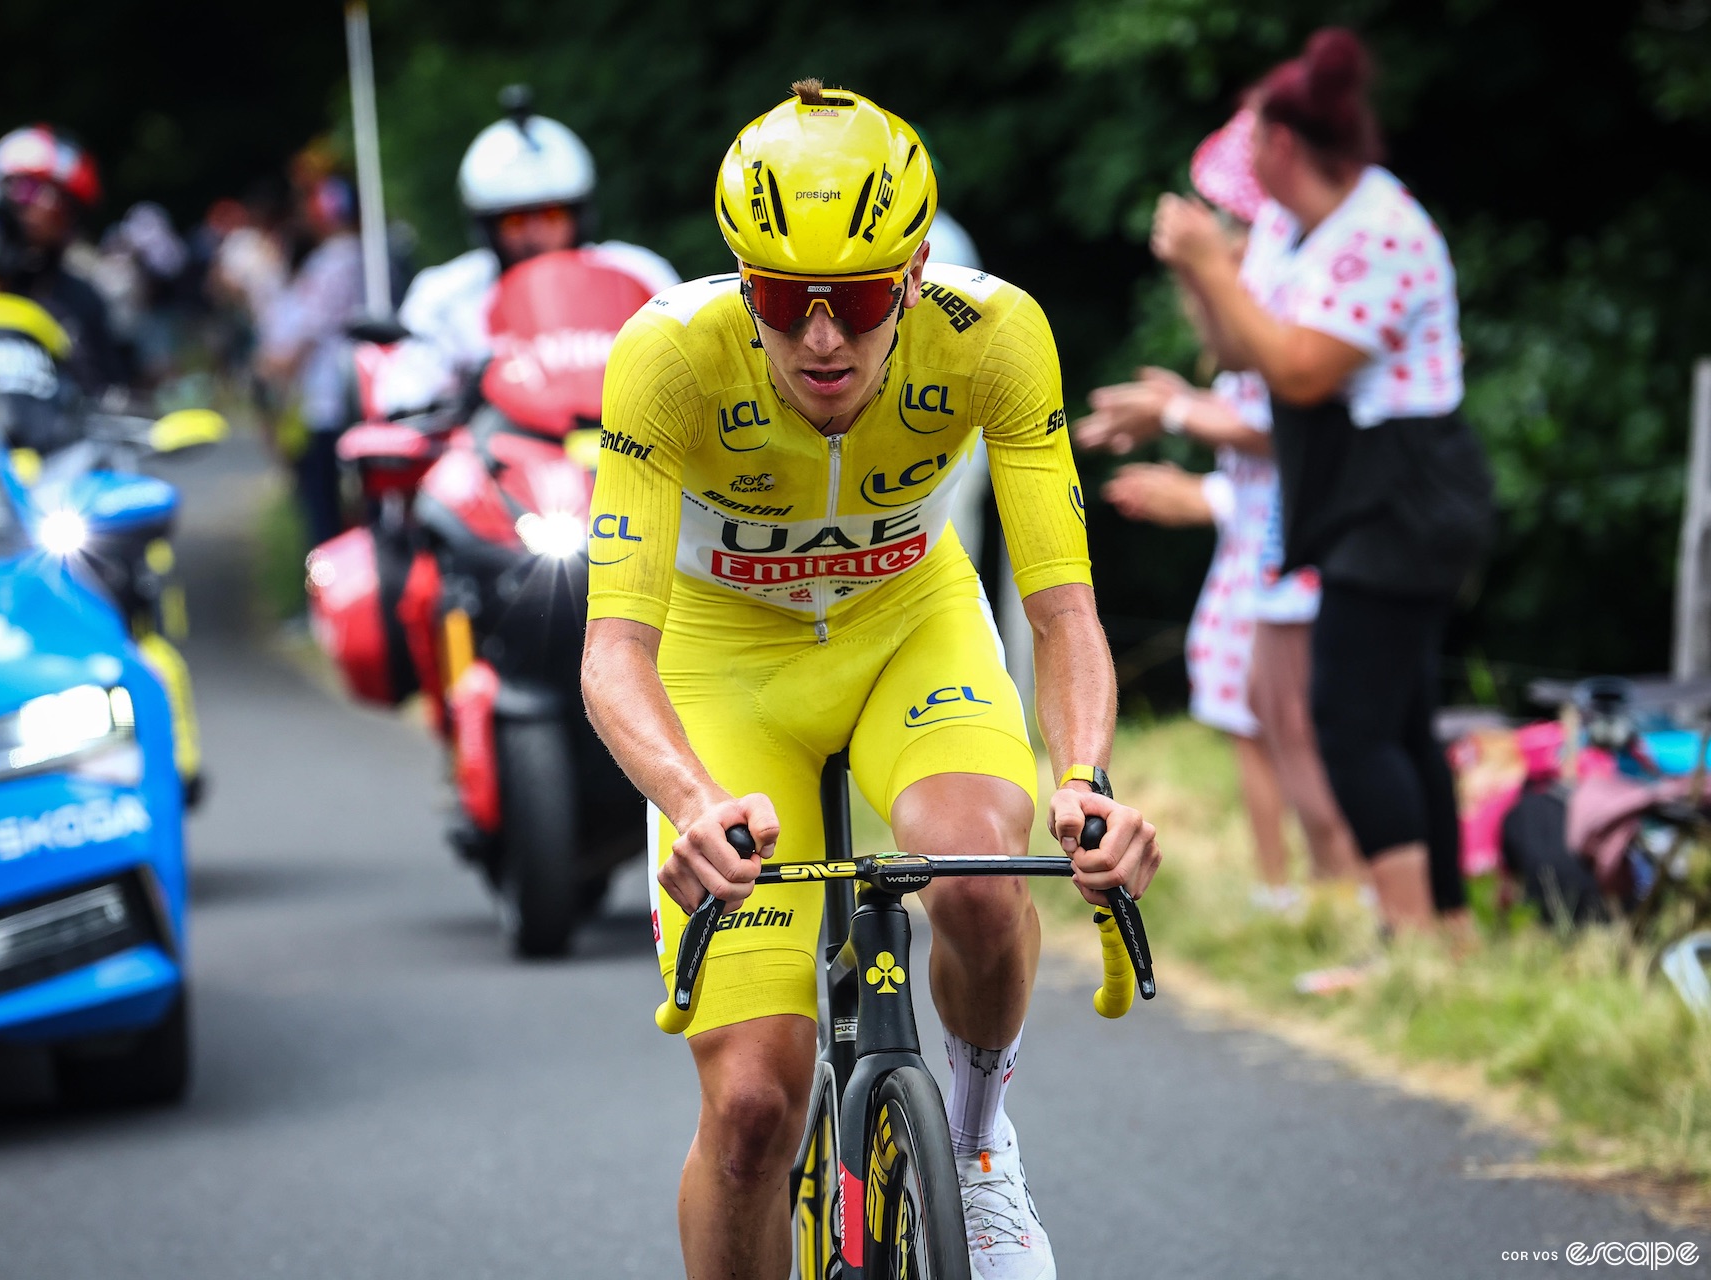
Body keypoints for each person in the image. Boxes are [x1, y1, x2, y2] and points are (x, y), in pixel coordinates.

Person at [580, 79, 1160, 1280]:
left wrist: (1087, 780)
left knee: (979, 882)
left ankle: (980, 1144)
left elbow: (1063, 612)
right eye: (787, 302)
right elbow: (614, 652)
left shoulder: (995, 333)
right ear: (747, 287)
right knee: (750, 1107)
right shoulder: (666, 359)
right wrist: (691, 800)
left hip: (909, 628)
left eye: (855, 298)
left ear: (912, 275)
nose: (824, 339)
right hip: (725, 662)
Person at [1152, 29, 1493, 933]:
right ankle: (1442, 938)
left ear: (1283, 146)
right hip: (1356, 495)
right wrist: (1206, 276)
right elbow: (1240, 351)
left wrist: (1214, 268)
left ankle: (1410, 937)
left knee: (1347, 724)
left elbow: (1299, 372)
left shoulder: (1380, 231)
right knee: (1403, 724)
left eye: (1251, 136)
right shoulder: (1298, 231)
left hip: (1405, 494)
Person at [1079, 110, 1364, 905]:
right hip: (1267, 539)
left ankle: (1330, 888)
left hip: (1292, 541)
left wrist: (1174, 420)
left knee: (1292, 722)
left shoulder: (1287, 301)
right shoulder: (1261, 299)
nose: (1225, 228)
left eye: (1234, 216)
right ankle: (1295, 887)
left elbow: (1286, 425)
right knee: (1261, 710)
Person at [376, 86, 679, 420]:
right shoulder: (447, 295)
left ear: (579, 215)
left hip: (632, 451)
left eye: (552, 215)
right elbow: (404, 399)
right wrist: (464, 400)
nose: (535, 233)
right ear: (488, 226)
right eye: (516, 220)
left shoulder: (638, 273)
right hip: (498, 461)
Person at [256, 175, 365, 548]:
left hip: (329, 400)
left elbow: (305, 338)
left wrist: (273, 374)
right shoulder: (355, 255)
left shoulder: (338, 259)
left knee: (325, 510)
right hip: (342, 394)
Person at [0, 125, 130, 394]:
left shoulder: (81, 300)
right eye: (28, 191)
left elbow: (108, 393)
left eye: (64, 202)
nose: (46, 208)